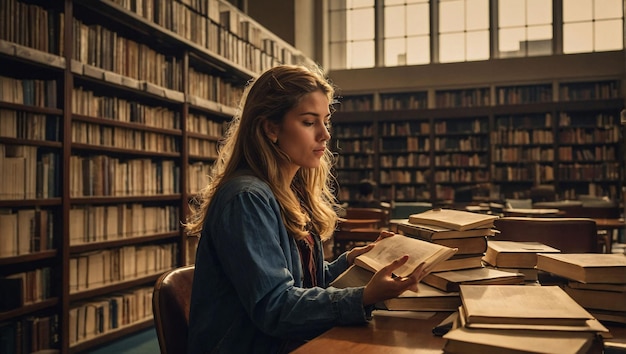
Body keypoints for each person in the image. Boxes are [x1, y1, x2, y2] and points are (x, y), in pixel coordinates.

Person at [185, 64, 425, 353]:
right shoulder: (246, 198)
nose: (325, 135)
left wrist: (350, 262)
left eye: (326, 121)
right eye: (310, 122)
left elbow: (297, 279)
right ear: (271, 128)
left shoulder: (289, 192)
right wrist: (362, 297)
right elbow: (275, 307)